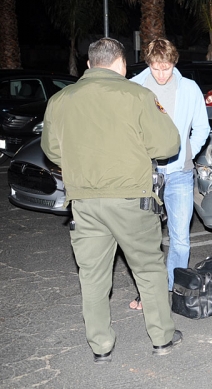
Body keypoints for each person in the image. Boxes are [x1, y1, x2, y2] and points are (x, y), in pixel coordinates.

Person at [41, 37, 183, 363]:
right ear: (121, 64)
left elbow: (52, 151)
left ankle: (100, 347)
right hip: (131, 199)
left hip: (84, 203)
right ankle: (161, 338)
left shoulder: (61, 99)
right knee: (148, 269)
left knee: (91, 276)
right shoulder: (137, 95)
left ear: (90, 65)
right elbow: (166, 145)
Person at [129, 38, 210, 308]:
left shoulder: (189, 88)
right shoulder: (134, 87)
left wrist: (187, 152)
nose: (161, 74)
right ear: (148, 63)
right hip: (144, 174)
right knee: (145, 238)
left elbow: (202, 128)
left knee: (180, 239)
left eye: (166, 68)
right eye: (156, 68)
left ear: (174, 63)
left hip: (179, 174)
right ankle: (149, 292)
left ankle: (174, 290)